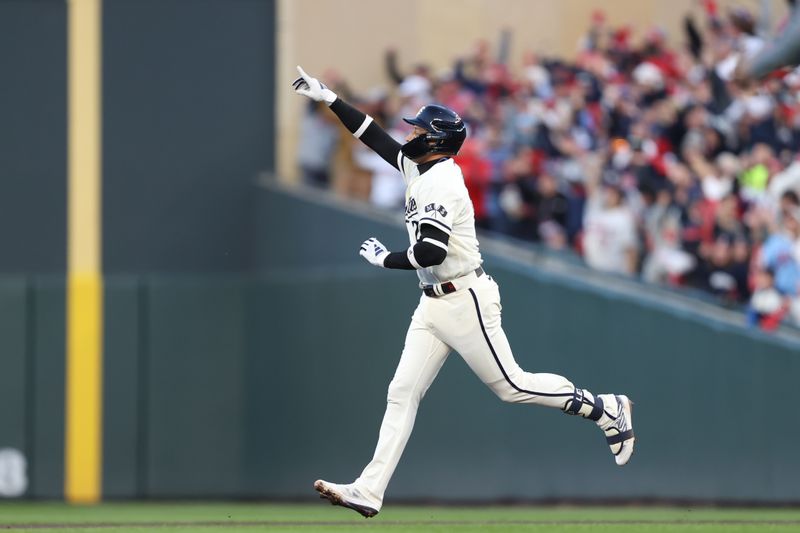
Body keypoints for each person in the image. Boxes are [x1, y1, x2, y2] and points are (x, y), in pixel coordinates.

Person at [292, 66, 636, 519]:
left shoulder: (442, 180)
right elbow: (375, 138)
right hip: (433, 302)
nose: (410, 132)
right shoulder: (421, 167)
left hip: (464, 296)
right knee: (402, 392)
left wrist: (385, 259)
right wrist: (329, 96)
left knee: (512, 386)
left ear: (435, 140)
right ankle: (369, 489)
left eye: (418, 129)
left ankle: (607, 409)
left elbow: (431, 252)